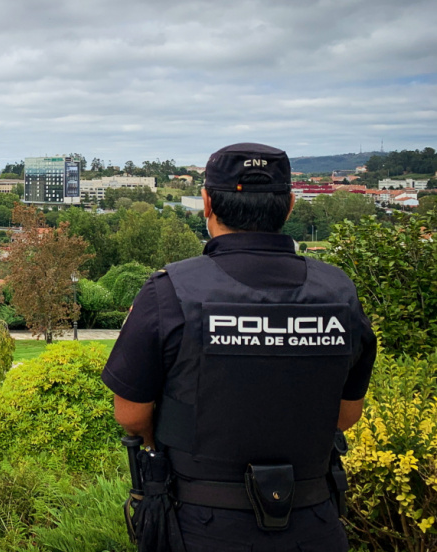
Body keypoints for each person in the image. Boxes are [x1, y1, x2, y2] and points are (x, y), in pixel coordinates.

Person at [103, 143, 376, 552]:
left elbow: (130, 414)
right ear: (289, 206)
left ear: (207, 203)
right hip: (313, 523)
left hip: (197, 525)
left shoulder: (170, 291)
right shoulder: (339, 292)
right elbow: (346, 416)